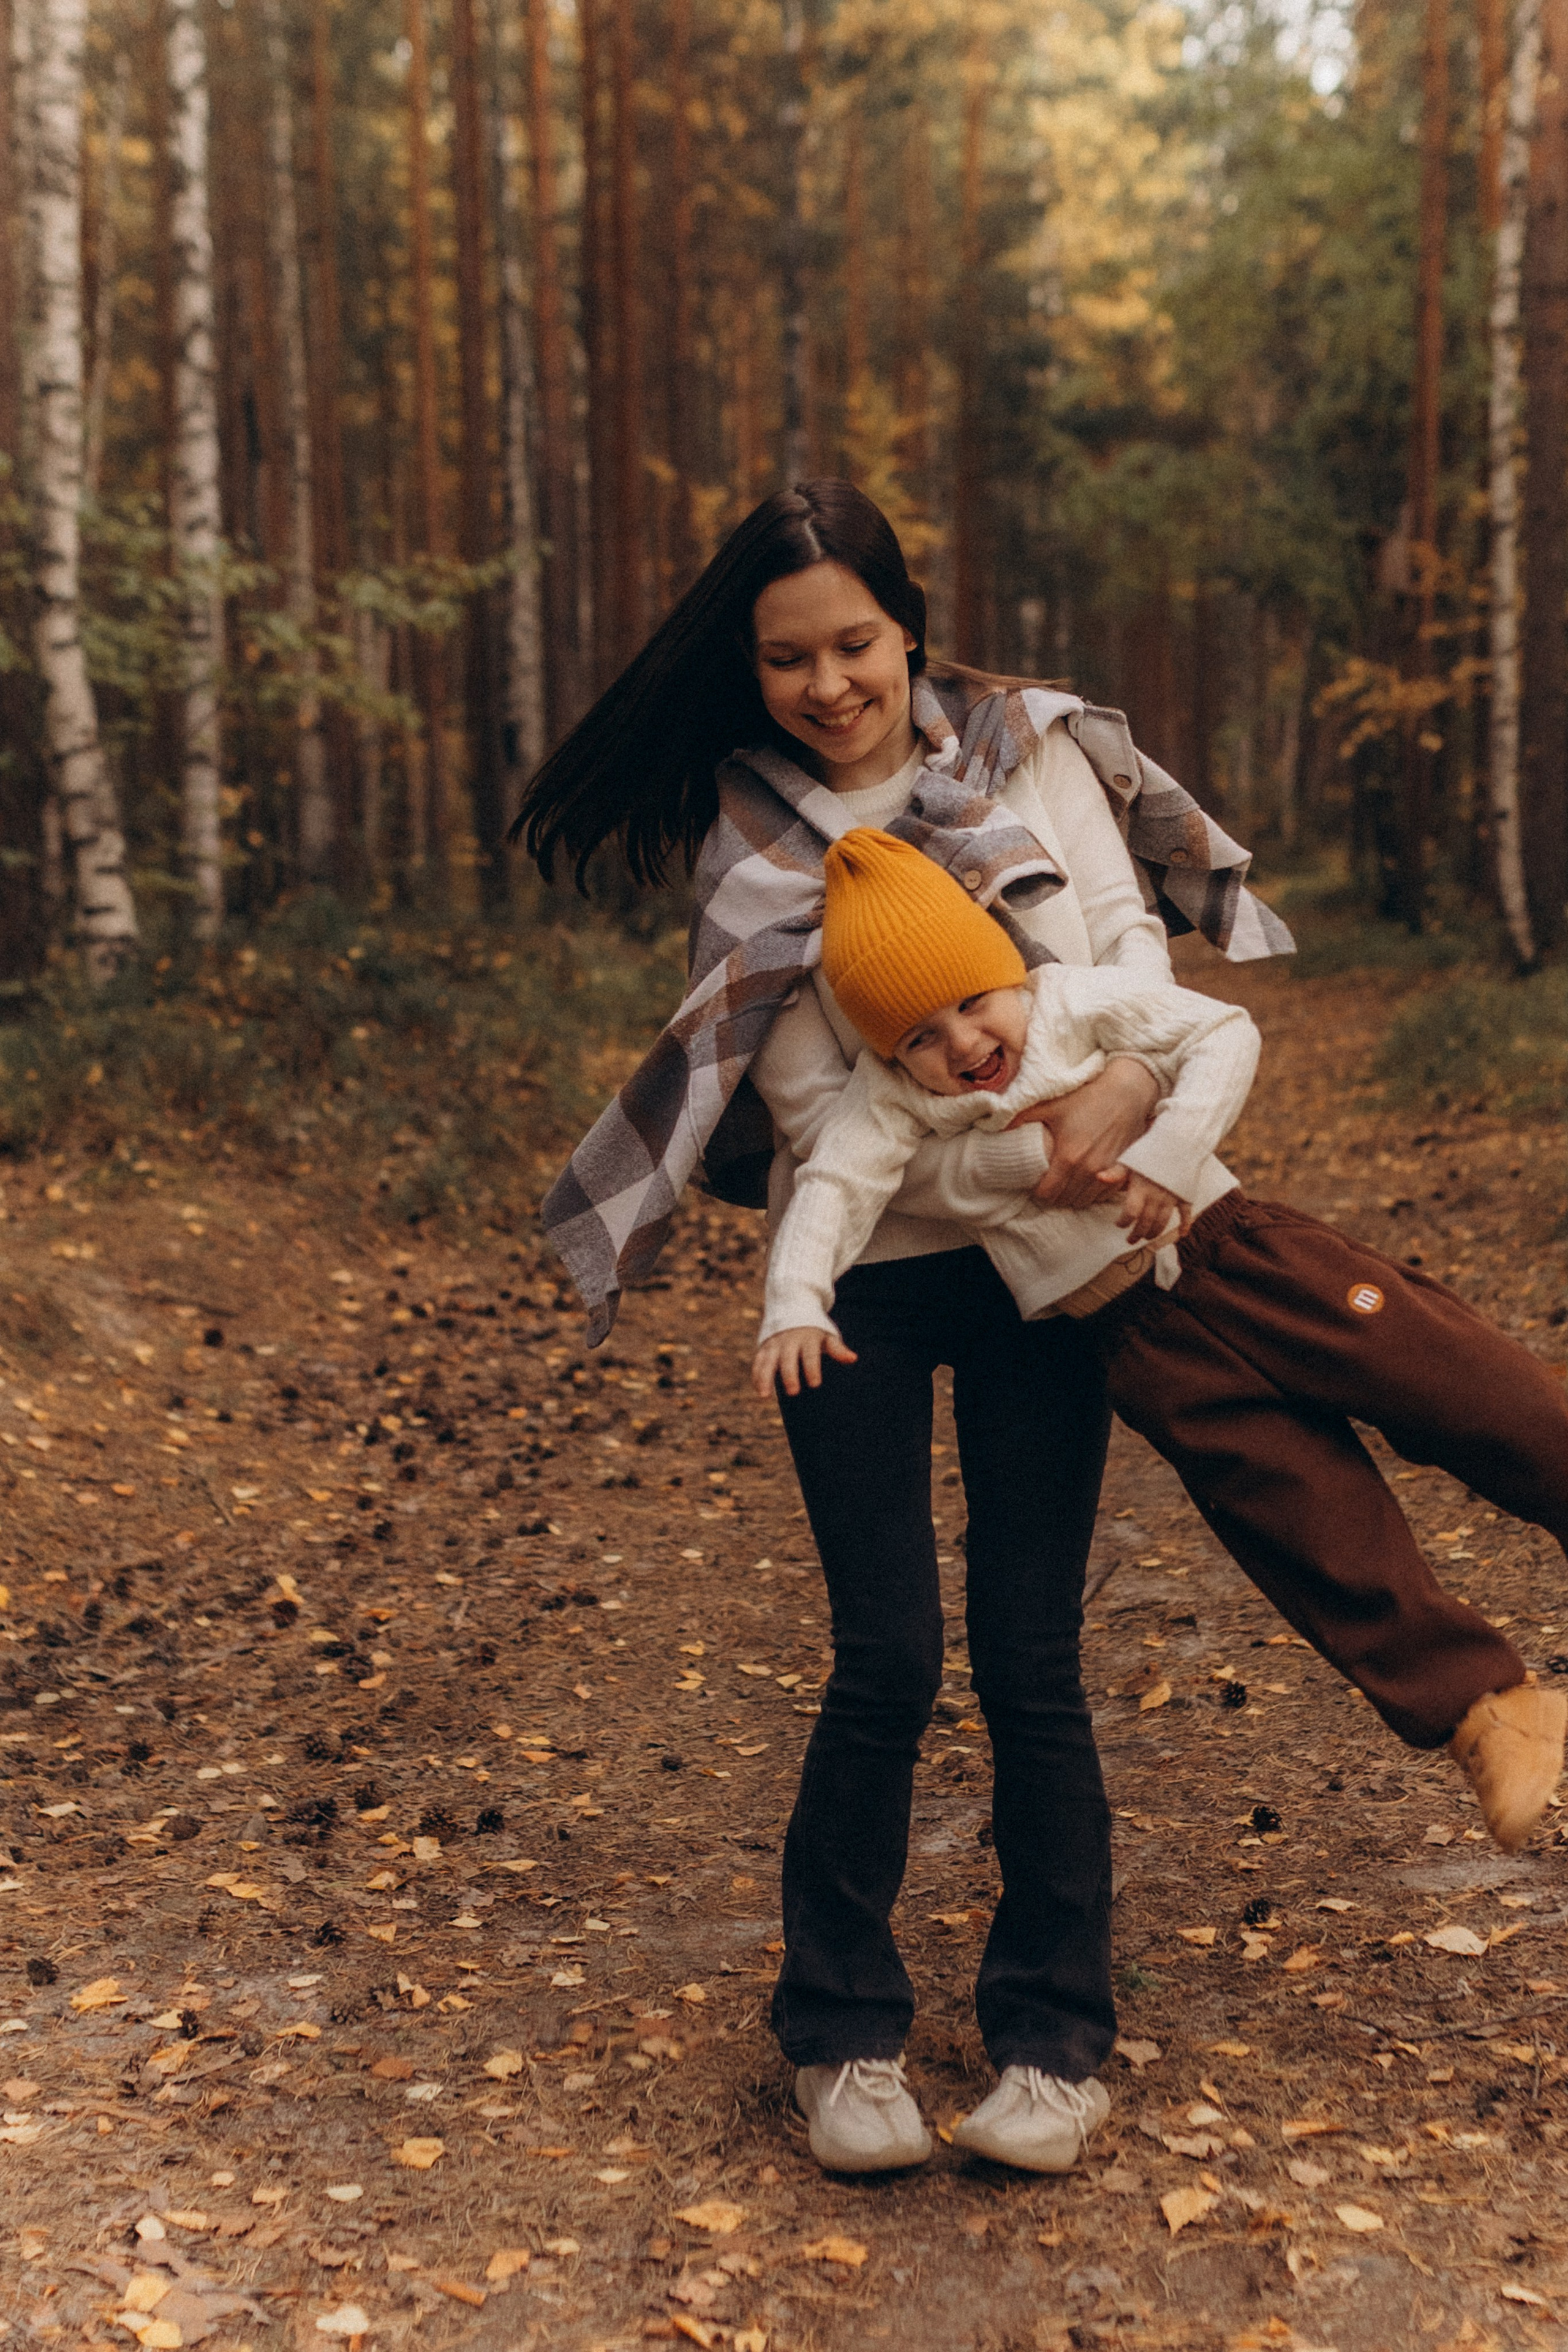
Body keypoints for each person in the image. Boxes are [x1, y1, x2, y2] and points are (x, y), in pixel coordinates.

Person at [513, 480, 1291, 2179]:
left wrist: (1131, 1093)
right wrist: (1025, 1134)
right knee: (885, 1654)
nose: (829, 684)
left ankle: (1054, 2037)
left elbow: (1116, 964)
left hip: (1043, 1272)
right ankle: (842, 2031)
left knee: (1030, 1652)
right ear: (756, 668)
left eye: (854, 642)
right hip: (856, 1270)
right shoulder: (746, 818)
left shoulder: (1030, 753)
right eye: (789, 657)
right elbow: (804, 1103)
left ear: (906, 627)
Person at [752, 826, 1568, 1886]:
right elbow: (832, 1187)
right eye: (917, 1036)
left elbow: (1221, 1031)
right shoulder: (895, 1101)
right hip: (1132, 1338)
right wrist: (795, 1306)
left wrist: (1168, 1153)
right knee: (1305, 1519)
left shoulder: (1073, 1001)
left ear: (1006, 971)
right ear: (886, 1053)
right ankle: (1488, 1713)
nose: (959, 1045)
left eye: (970, 1004)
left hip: (1244, 1257)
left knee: (1466, 1389)